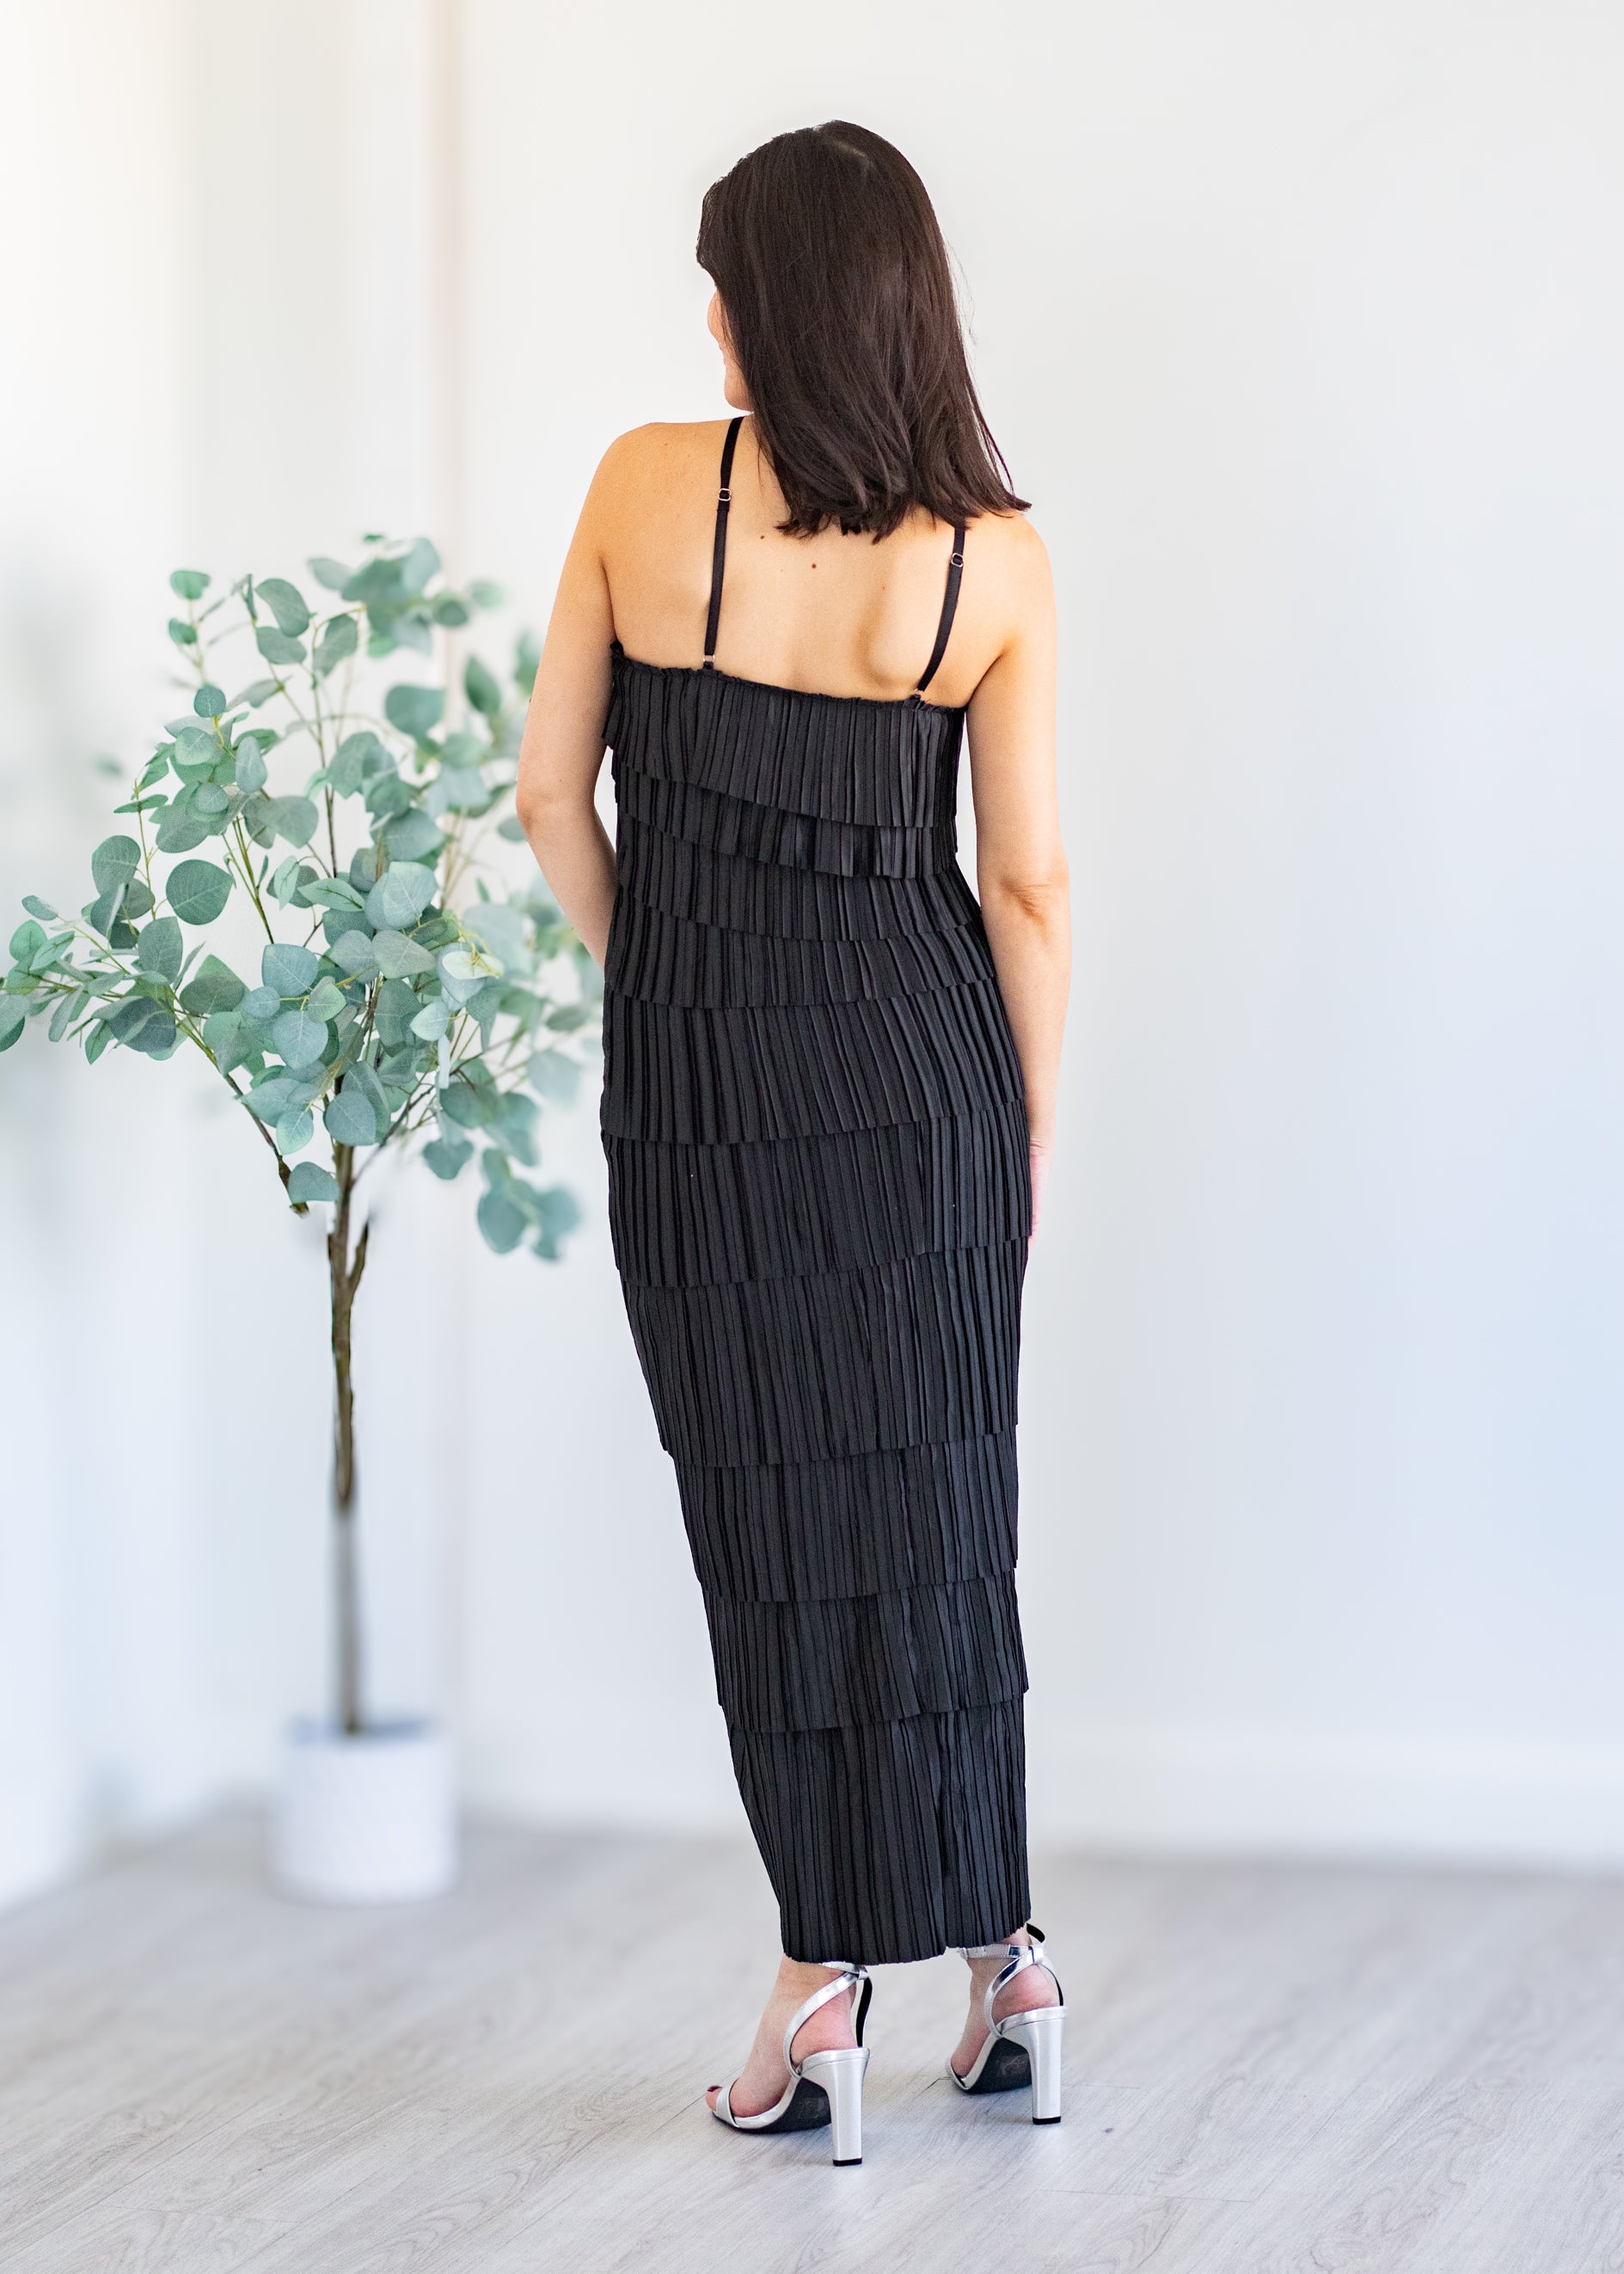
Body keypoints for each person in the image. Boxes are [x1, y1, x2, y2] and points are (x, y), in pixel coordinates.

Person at [517, 120, 1070, 2167]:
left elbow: (550, 800)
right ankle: (1010, 1973)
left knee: (771, 1536)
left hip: (704, 1083)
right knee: (940, 1519)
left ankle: (816, 1991)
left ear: (785, 307)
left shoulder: (645, 490)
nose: (713, 327)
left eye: (727, 288)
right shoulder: (990, 559)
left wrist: (668, 977)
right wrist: (1022, 1124)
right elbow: (1029, 888)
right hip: (929, 1078)